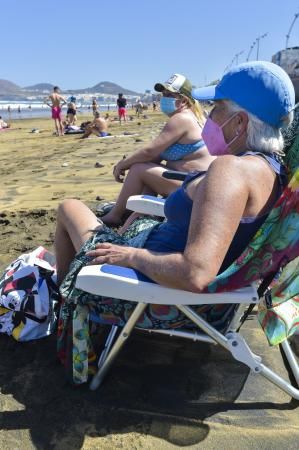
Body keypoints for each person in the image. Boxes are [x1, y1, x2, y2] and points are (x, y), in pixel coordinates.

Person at [56, 62, 294, 383]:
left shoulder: (231, 171)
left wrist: (130, 256)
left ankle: (67, 303)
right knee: (135, 218)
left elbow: (195, 273)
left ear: (240, 123)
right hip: (206, 288)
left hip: (166, 296)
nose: (209, 117)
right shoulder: (274, 171)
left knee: (69, 208)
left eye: (216, 109)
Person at [101, 73, 214, 226]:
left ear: (183, 100)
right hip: (196, 182)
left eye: (169, 94)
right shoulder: (193, 116)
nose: (164, 98)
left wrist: (122, 165)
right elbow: (154, 156)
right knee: (148, 173)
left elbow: (149, 152)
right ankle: (136, 216)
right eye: (163, 94)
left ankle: (116, 215)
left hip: (192, 186)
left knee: (139, 169)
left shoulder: (181, 119)